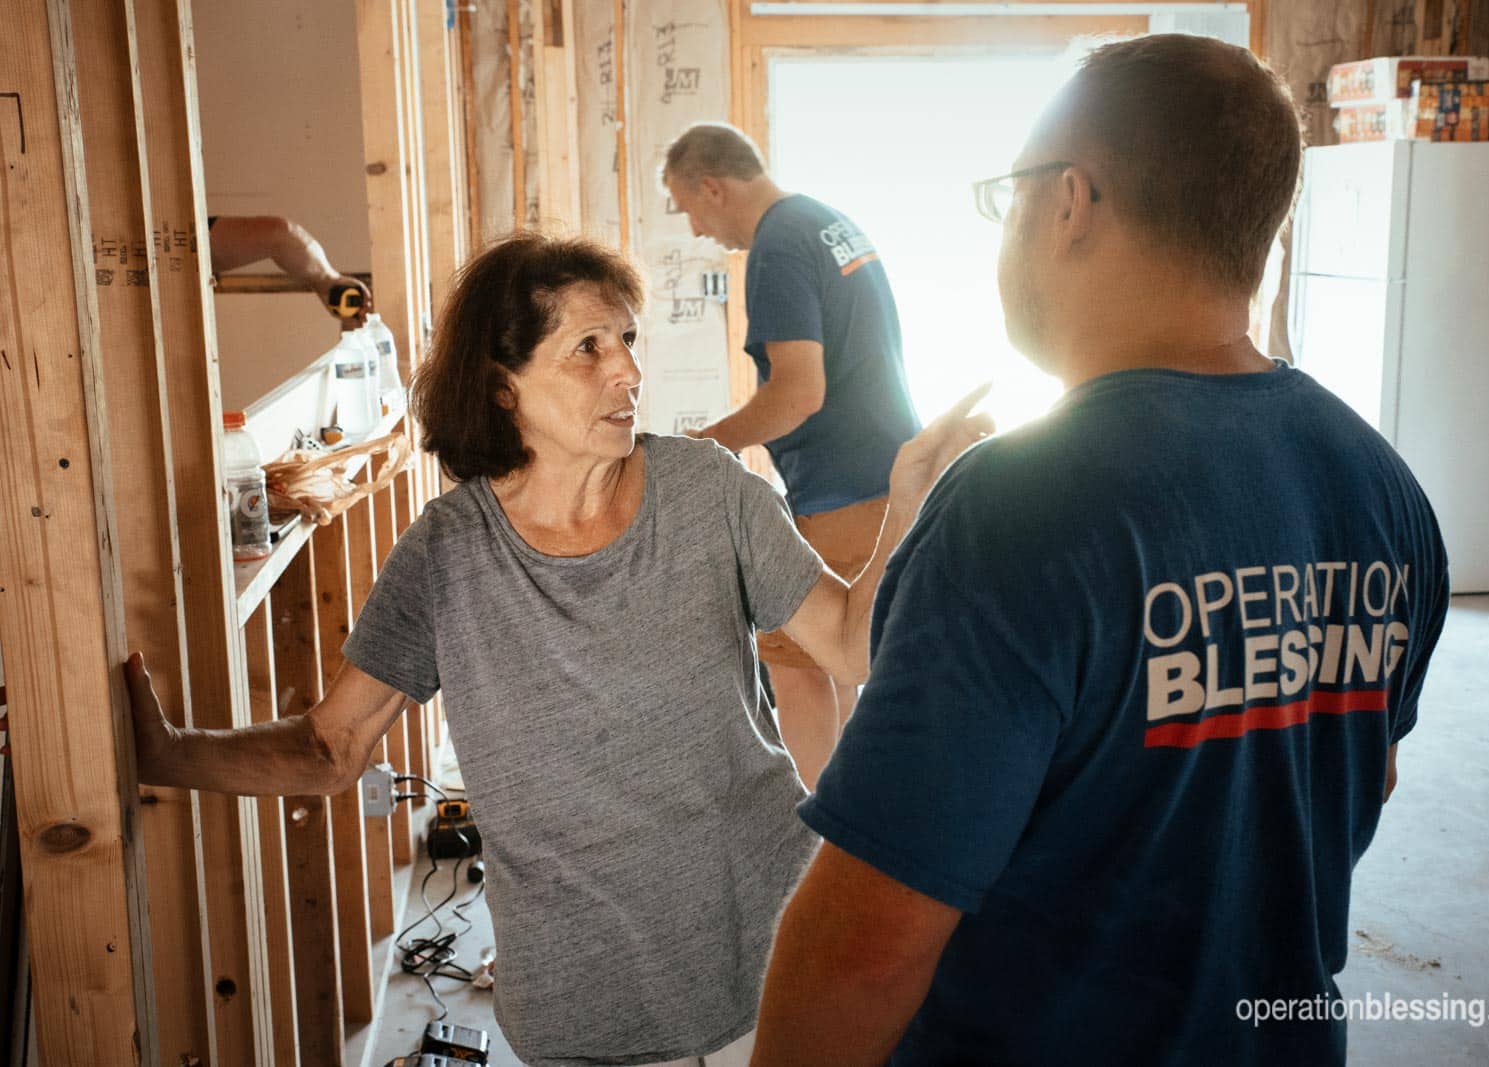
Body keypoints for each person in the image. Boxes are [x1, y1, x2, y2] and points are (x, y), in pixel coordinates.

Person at [750, 34, 1449, 1067]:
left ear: (1069, 201)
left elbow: (864, 949)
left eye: (1009, 195)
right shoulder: (1381, 485)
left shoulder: (1019, 506)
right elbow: (1353, 771)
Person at [125, 233, 990, 1067]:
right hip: (584, 1002)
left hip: (767, 952)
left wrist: (911, 497)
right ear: (505, 386)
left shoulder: (708, 488)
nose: (628, 368)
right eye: (587, 347)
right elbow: (329, 747)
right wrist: (168, 752)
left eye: (628, 338)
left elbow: (849, 646)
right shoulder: (449, 554)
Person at [660, 123, 922, 789]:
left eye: (688, 207)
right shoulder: (827, 222)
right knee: (848, 665)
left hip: (846, 493)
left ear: (712, 186)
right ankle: (853, 822)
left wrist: (699, 449)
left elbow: (800, 391)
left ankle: (819, 850)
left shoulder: (776, 246)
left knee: (796, 664)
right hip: (891, 479)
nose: (695, 229)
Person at [208, 214, 373, 320]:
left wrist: (326, 281)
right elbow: (280, 234)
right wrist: (325, 277)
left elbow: (280, 236)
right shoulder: (188, 238)